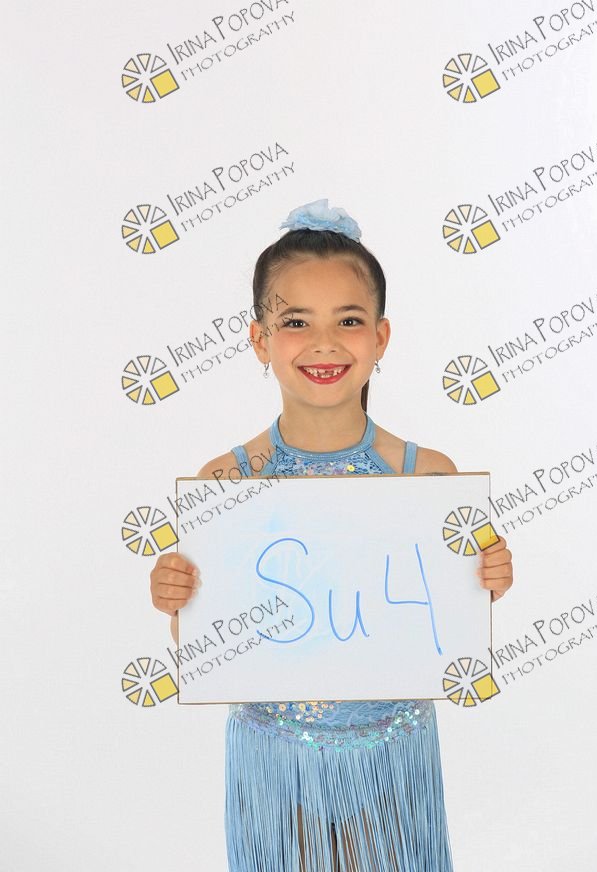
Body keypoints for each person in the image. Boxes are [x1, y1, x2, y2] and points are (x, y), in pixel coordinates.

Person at [150, 199, 513, 872]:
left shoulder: (428, 476)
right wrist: (178, 600)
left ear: (380, 336)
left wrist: (488, 580)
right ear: (260, 340)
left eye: (348, 320)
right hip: (275, 756)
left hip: (390, 753)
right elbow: (207, 641)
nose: (323, 343)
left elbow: (453, 617)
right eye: (295, 322)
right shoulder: (226, 481)